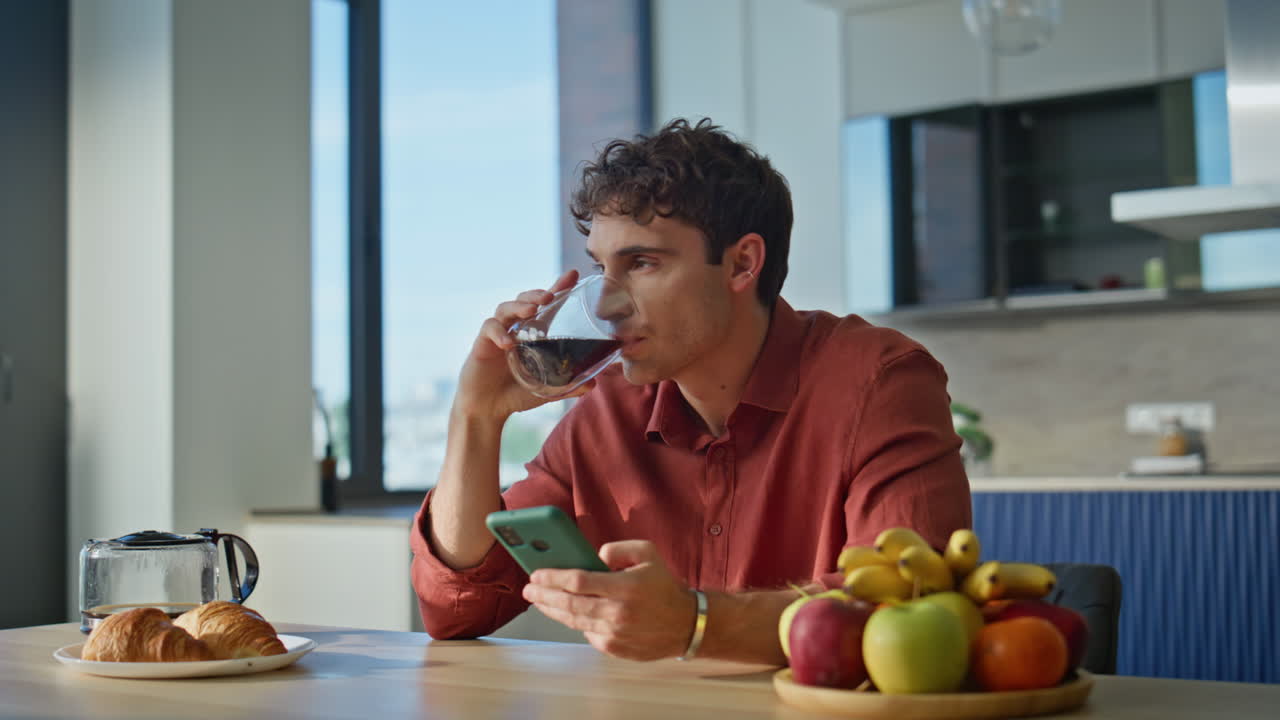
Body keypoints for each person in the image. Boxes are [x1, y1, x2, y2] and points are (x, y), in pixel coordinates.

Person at [411, 118, 971, 665]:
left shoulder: (879, 380)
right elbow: (458, 608)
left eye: (643, 263)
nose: (605, 303)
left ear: (741, 263)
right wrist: (476, 416)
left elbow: (913, 605)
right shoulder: (606, 407)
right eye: (602, 269)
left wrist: (695, 622)